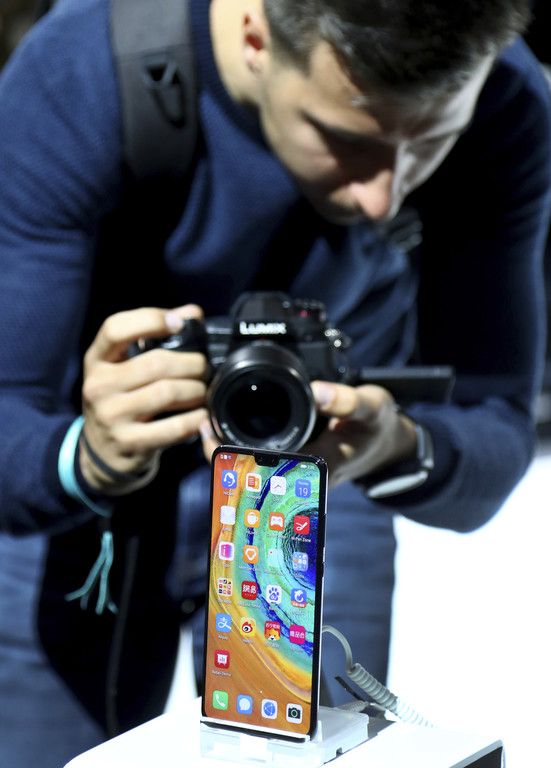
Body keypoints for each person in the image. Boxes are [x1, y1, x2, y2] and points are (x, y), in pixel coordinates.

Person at [0, 0, 550, 765]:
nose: (383, 198)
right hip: (90, 475)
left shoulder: (500, 97)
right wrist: (84, 457)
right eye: (348, 140)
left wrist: (393, 445)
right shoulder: (82, 72)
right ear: (255, 34)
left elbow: (495, 434)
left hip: (322, 468)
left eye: (430, 142)